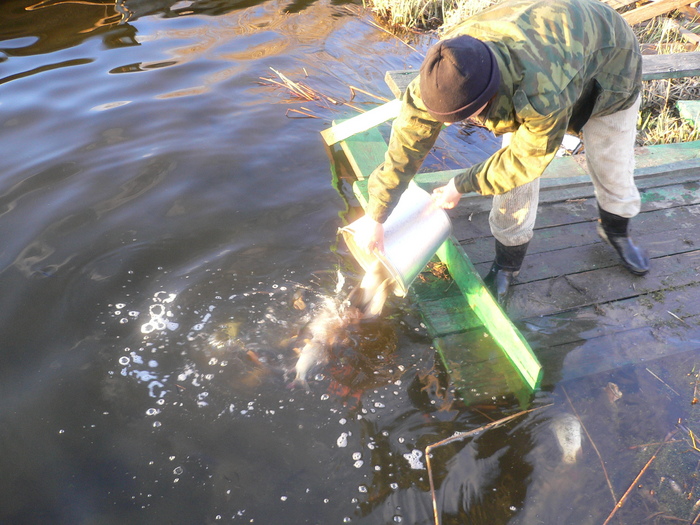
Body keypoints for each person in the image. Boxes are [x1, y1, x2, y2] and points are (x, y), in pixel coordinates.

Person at [351, 0, 650, 305]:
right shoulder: (444, 71)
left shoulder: (540, 91)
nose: (460, 124)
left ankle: (617, 230)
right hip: (551, 52)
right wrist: (377, 215)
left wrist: (460, 184)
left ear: (488, 94)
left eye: (465, 117)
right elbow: (406, 145)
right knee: (512, 188)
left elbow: (524, 160)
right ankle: (508, 261)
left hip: (611, 66)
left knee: (610, 162)